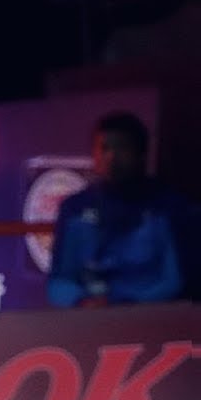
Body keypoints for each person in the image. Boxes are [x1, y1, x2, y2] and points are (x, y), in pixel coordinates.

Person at [47, 111, 185, 308]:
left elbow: (174, 280)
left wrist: (126, 304)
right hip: (90, 317)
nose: (111, 157)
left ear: (142, 154)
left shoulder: (166, 206)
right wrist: (83, 302)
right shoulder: (74, 208)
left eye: (122, 148)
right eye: (104, 148)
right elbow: (58, 282)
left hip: (149, 316)